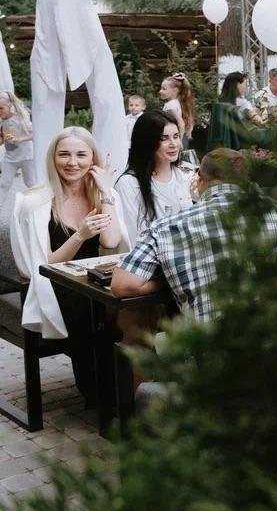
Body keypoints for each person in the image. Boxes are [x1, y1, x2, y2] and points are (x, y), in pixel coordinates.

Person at [12, 0, 127, 179]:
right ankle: (110, 158)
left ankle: (45, 171)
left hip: (46, 3)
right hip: (71, 0)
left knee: (48, 71)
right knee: (97, 62)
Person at [112, 149, 277, 322]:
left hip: (211, 338)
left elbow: (122, 285)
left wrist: (168, 280)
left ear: (201, 180)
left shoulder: (165, 228)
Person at [12, 127, 128, 347]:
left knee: (124, 305)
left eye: (81, 155)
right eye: (64, 154)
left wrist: (105, 193)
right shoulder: (34, 203)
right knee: (86, 307)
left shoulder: (105, 195)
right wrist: (80, 235)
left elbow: (110, 241)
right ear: (53, 158)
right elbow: (44, 266)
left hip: (97, 282)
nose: (72, 162)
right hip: (57, 285)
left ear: (93, 159)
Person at [114, 110, 194, 240]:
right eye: (164, 138)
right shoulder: (129, 184)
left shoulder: (185, 175)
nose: (173, 144)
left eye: (176, 136)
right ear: (147, 142)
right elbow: (132, 236)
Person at [0, 91, 37, 194]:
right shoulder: (1, 122)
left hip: (26, 157)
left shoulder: (20, 118)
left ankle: (39, 201)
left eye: (1, 108)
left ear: (9, 105)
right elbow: (2, 140)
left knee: (30, 183)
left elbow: (35, 134)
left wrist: (19, 138)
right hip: (10, 158)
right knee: (4, 184)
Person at [159, 73, 197, 145]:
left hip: (175, 139)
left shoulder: (170, 105)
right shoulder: (177, 102)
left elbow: (181, 123)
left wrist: (180, 140)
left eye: (164, 89)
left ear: (175, 90)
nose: (160, 91)